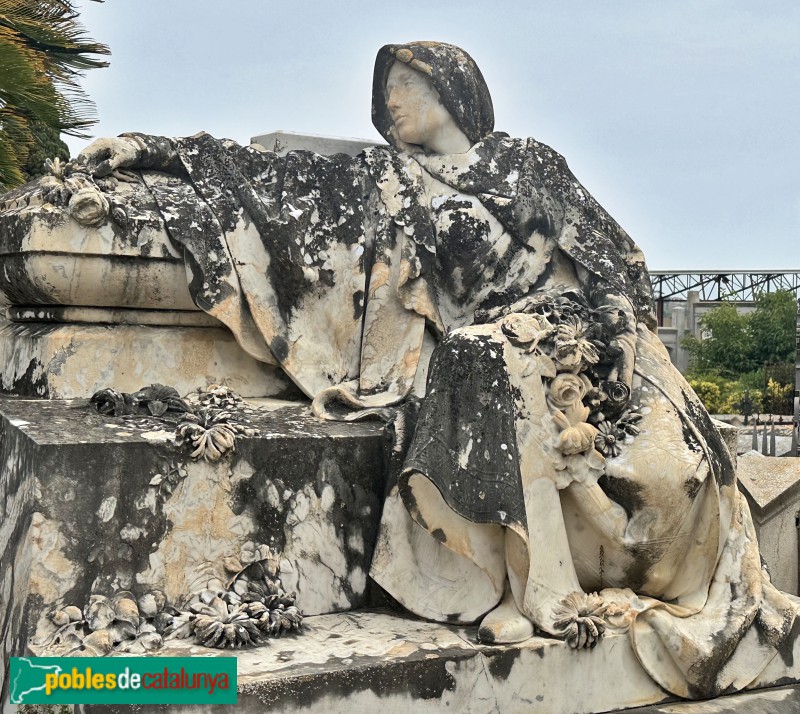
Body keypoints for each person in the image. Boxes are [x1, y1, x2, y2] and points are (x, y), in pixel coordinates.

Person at [72, 41, 797, 700]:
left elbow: (609, 251)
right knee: (477, 353)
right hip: (490, 348)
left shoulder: (528, 164)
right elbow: (273, 180)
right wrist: (148, 150)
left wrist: (618, 337)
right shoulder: (389, 179)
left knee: (663, 471)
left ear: (452, 91)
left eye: (406, 85)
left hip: (580, 338)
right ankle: (536, 588)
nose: (391, 102)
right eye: (385, 90)